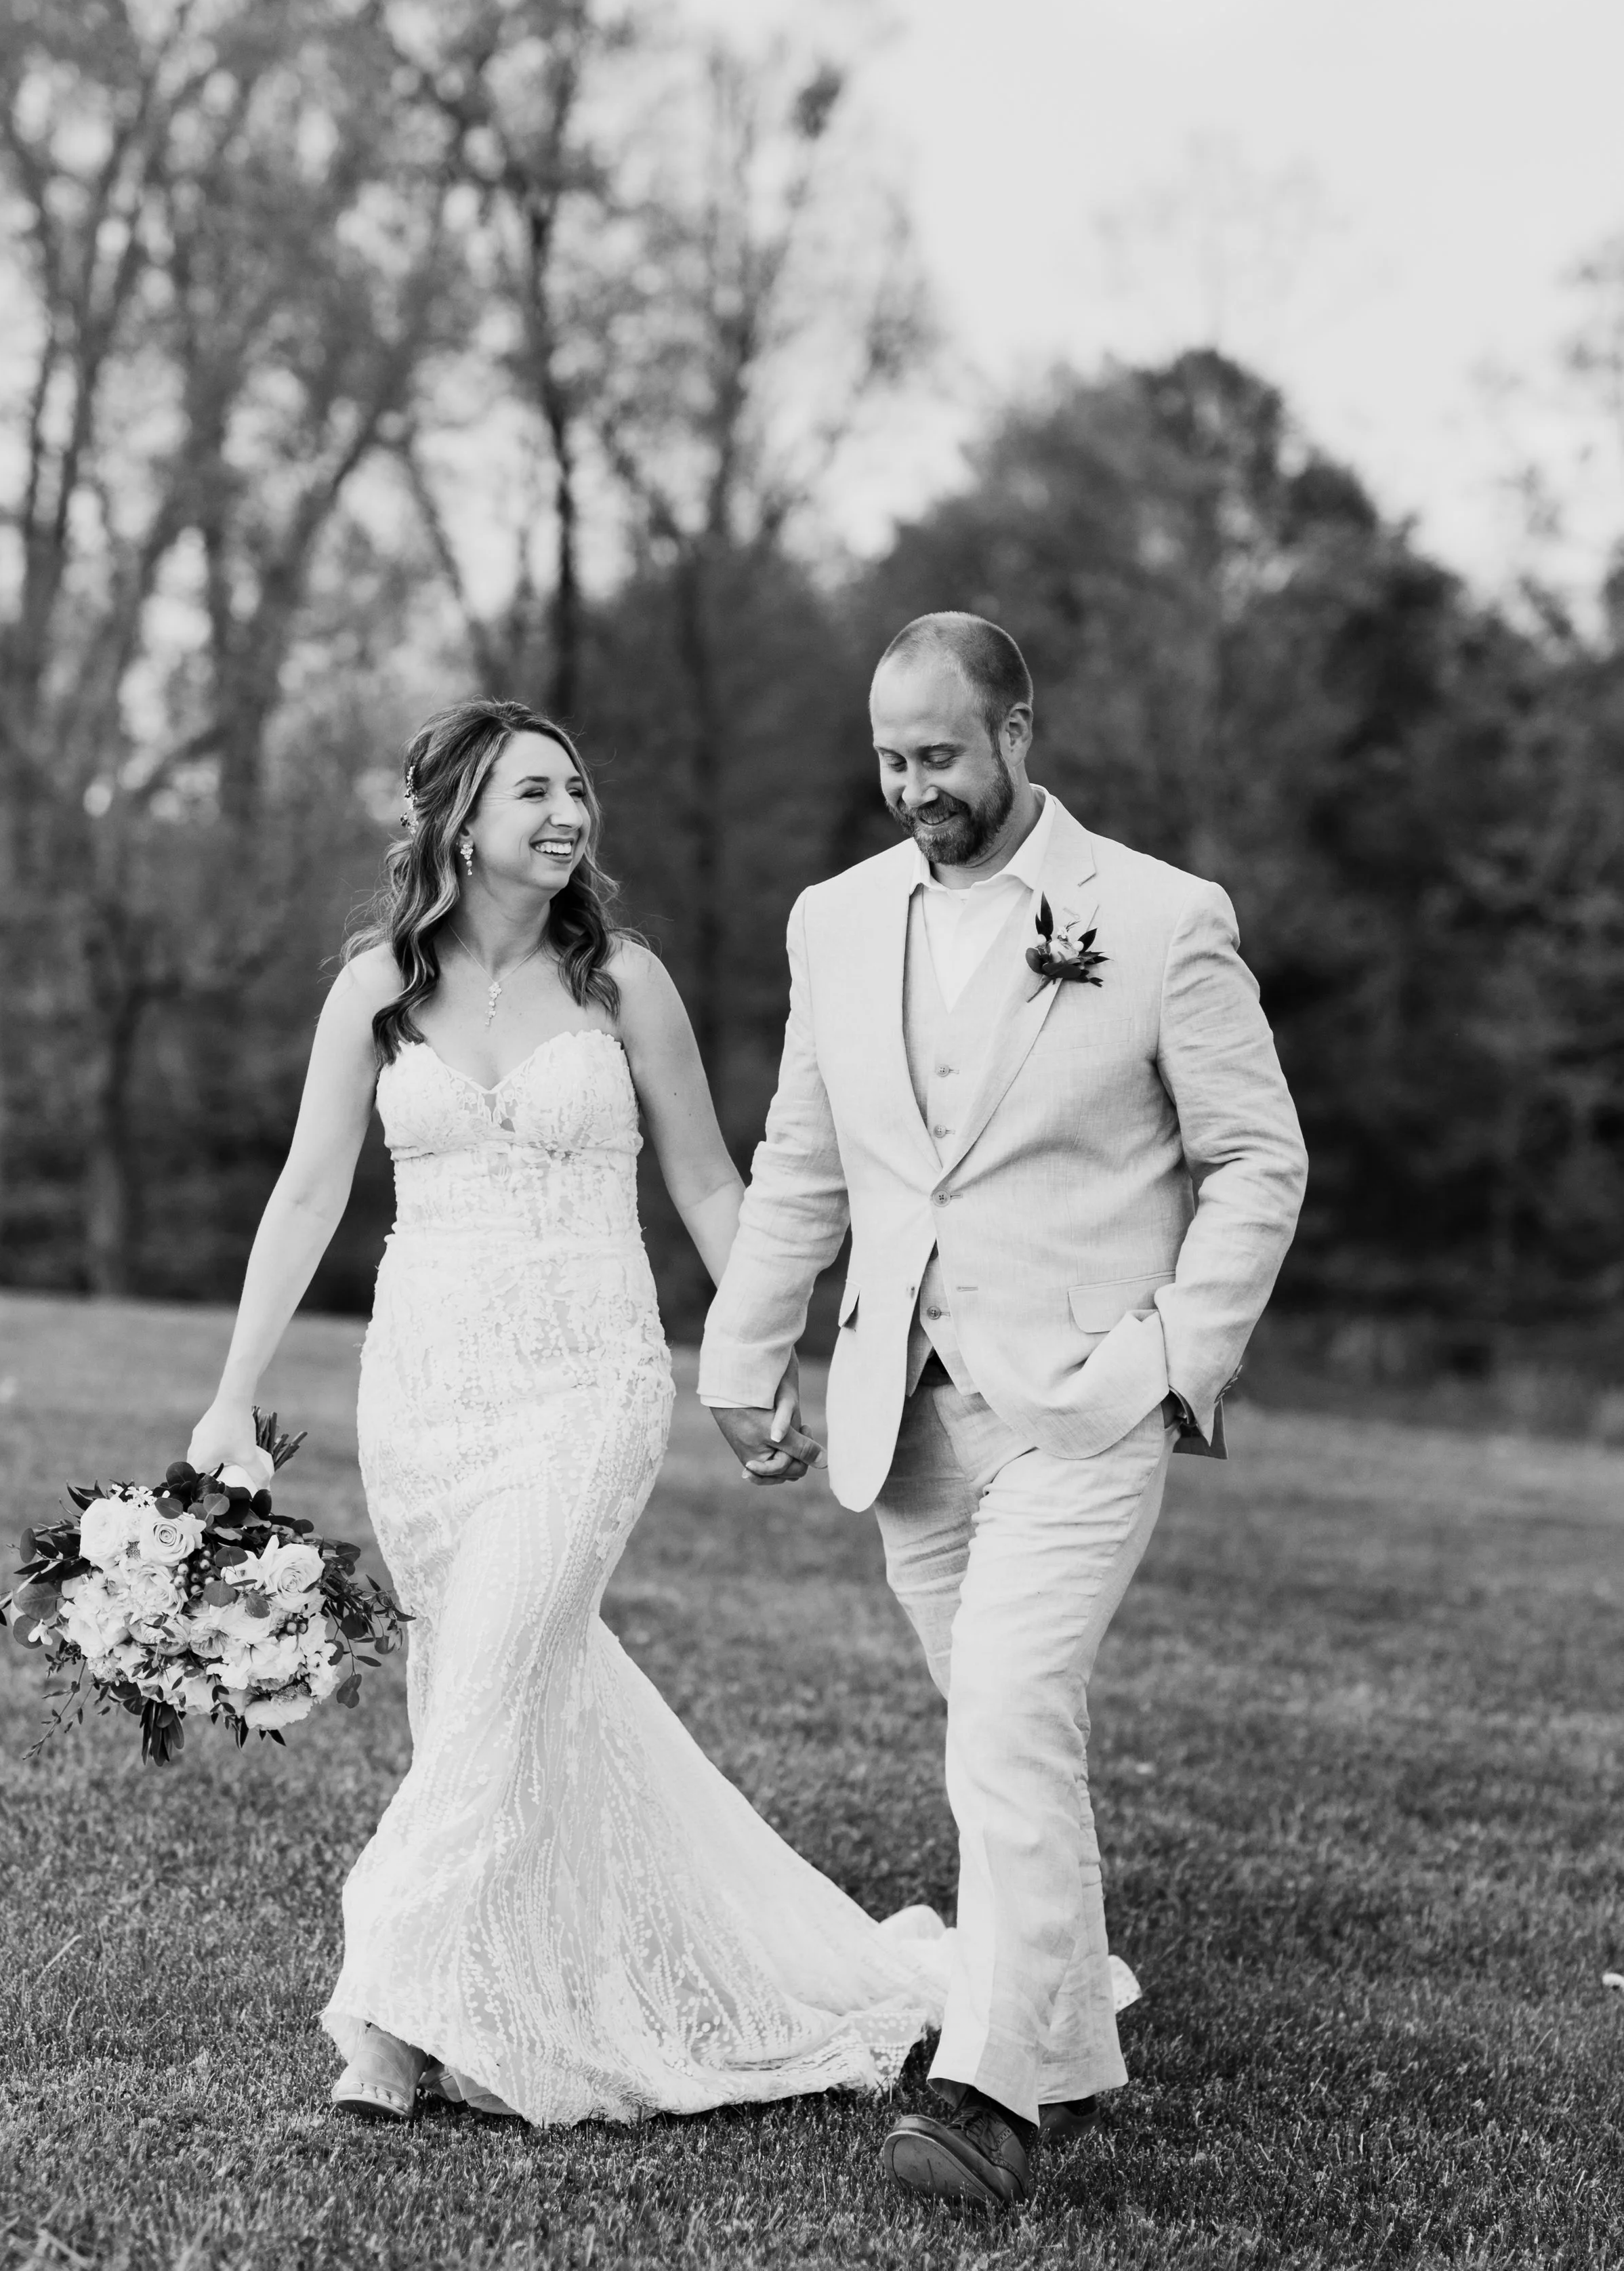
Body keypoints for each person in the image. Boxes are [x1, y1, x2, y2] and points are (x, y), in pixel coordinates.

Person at [186, 695, 945, 2127]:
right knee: (488, 1694)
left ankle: (383, 2015)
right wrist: (231, 1393)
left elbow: (714, 1188)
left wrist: (766, 1351)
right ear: (456, 819)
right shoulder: (375, 989)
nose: (567, 815)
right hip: (425, 1391)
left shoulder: (623, 984)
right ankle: (509, 1996)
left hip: (589, 1382)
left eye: (577, 791)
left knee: (488, 1687)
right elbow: (305, 1192)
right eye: (532, 792)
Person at [700, 612, 1308, 2209]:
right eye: (890, 759)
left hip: (1085, 1401)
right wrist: (738, 1351)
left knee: (1006, 1720)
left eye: (941, 756)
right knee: (996, 1731)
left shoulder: (1162, 918)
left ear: (1018, 734)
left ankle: (984, 2090)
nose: (914, 787)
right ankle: (1077, 2042)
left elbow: (1256, 1157)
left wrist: (1180, 1350)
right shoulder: (830, 922)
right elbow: (802, 1158)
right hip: (903, 1409)